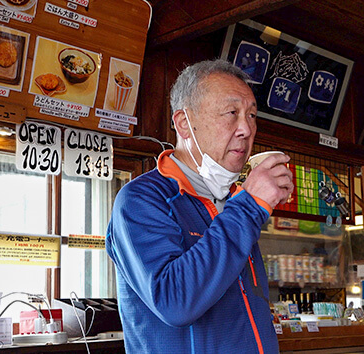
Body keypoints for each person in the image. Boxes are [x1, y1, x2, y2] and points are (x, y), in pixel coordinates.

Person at [106, 59, 294, 353]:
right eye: (231, 113)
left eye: (253, 115)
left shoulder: (233, 201)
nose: (246, 128)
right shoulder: (141, 199)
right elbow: (175, 303)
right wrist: (250, 205)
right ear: (184, 123)